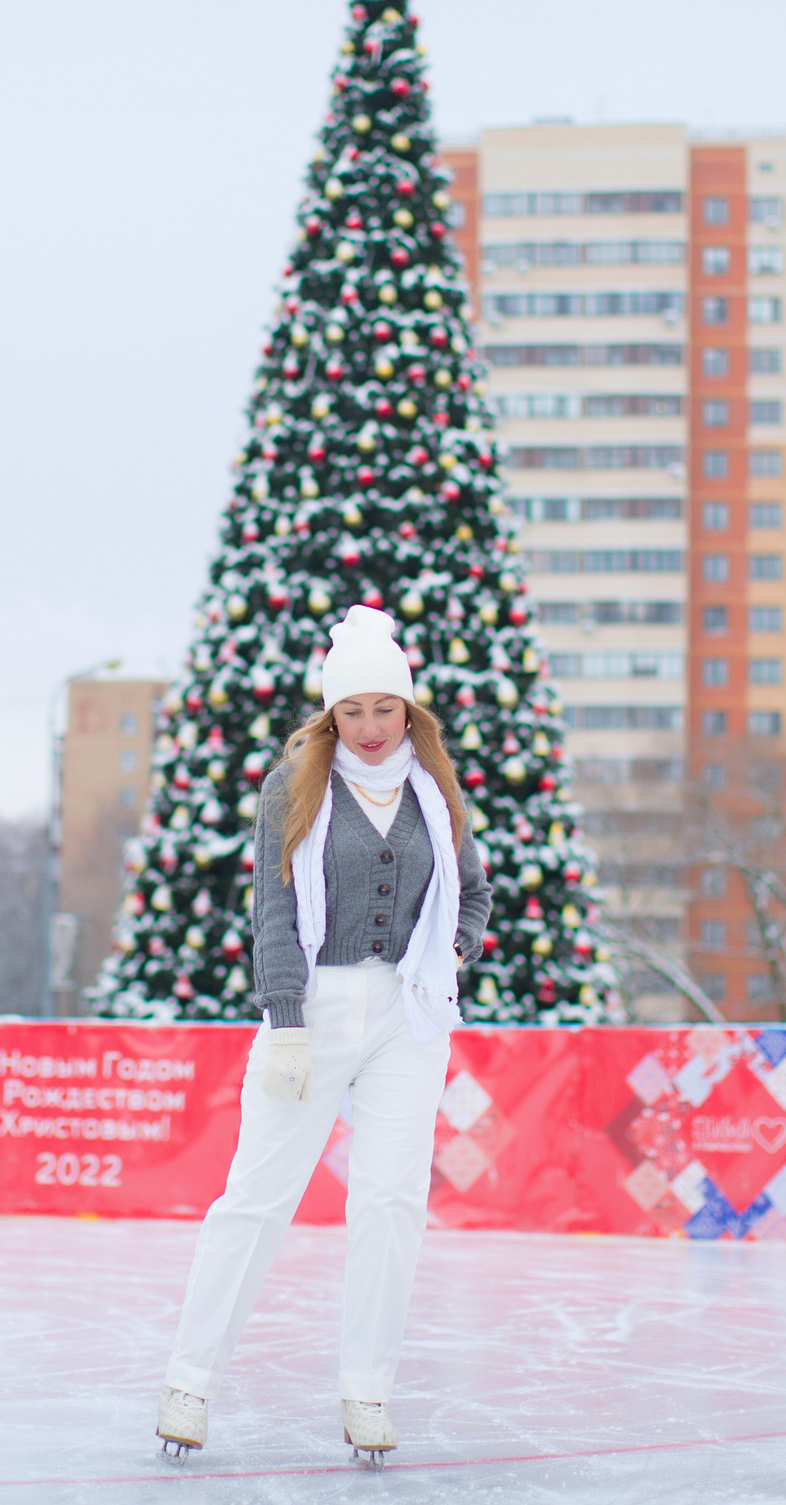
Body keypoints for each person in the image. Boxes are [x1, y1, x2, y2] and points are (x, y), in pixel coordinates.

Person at [154, 605, 492, 1468]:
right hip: (313, 1006)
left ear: (408, 710)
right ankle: (189, 1380)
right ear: (331, 713)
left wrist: (454, 947)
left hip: (409, 1016)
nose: (371, 728)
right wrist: (287, 1024)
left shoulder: (435, 786)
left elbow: (474, 891)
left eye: (386, 709)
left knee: (390, 1203)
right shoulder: (293, 785)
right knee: (256, 1200)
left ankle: (367, 1390)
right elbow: (272, 910)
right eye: (354, 711)